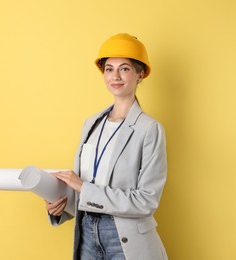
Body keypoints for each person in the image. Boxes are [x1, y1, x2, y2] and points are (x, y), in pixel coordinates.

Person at [46, 33, 168, 260]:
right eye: (109, 69)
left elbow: (146, 201)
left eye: (124, 68)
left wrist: (82, 186)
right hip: (87, 235)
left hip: (125, 236)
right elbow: (84, 190)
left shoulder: (149, 129)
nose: (115, 76)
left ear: (140, 74)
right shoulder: (91, 124)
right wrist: (60, 206)